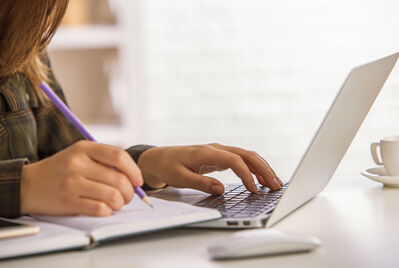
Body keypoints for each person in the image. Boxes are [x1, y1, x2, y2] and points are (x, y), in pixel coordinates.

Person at [0, 0, 282, 219]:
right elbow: (39, 181)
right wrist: (22, 187)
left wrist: (146, 165)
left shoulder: (20, 44)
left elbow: (67, 164)